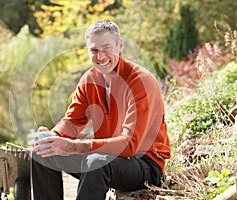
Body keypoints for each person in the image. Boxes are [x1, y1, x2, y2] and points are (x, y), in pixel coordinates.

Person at [29, 20, 171, 200]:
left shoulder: (141, 82)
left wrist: (74, 146)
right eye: (94, 50)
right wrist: (53, 136)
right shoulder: (89, 79)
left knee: (96, 163)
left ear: (120, 46)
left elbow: (130, 145)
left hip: (144, 165)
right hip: (106, 158)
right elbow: (72, 122)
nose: (100, 57)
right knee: (43, 152)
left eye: (106, 48)